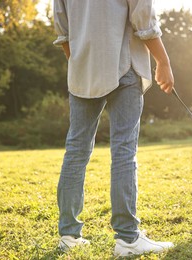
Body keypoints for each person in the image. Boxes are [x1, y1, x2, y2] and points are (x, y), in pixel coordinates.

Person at [53, 0, 174, 257]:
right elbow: (143, 20)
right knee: (123, 151)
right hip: (123, 66)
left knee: (75, 150)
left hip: (82, 70)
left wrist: (82, 65)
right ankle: (128, 239)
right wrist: (163, 61)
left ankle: (68, 235)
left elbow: (62, 30)